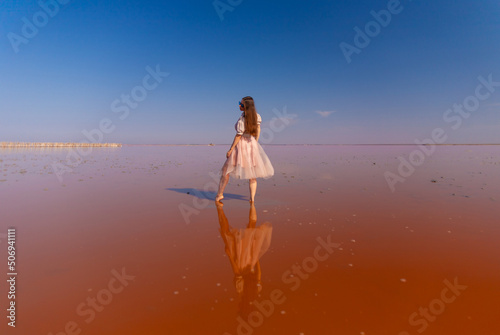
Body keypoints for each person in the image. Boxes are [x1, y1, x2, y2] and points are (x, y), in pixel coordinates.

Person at [215, 96, 274, 203]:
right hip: (252, 144)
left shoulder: (242, 119)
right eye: (239, 103)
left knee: (225, 171)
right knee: (252, 175)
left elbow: (238, 135)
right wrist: (255, 141)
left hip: (241, 145)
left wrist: (230, 149)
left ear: (246, 106)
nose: (239, 105)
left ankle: (220, 194)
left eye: (241, 104)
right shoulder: (257, 116)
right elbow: (258, 130)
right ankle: (252, 198)